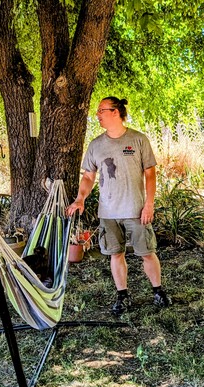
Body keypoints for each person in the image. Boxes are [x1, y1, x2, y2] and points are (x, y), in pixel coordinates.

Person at [66, 97, 171, 314]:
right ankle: (122, 295)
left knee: (147, 252)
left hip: (136, 210)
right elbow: (88, 177)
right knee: (115, 254)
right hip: (108, 212)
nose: (98, 115)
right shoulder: (96, 145)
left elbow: (150, 174)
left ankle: (158, 292)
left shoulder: (138, 139)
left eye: (101, 111)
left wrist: (149, 204)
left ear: (115, 112)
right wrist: (80, 198)